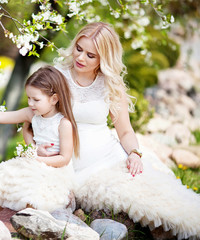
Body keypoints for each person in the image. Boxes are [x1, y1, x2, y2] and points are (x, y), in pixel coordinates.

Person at [23, 22, 200, 239]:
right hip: (63, 165)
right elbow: (31, 119)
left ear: (103, 58)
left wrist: (135, 153)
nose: (81, 58)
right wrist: (34, 148)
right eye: (79, 49)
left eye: (91, 55)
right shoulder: (55, 77)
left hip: (107, 160)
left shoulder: (111, 85)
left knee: (156, 198)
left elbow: (125, 131)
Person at [0, 65, 79, 219]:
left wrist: (36, 158)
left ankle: (23, 221)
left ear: (54, 99)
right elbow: (1, 117)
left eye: (36, 99)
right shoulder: (31, 114)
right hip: (34, 161)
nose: (30, 103)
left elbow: (64, 158)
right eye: (28, 97)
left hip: (55, 168)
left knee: (31, 187)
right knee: (4, 177)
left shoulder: (63, 123)